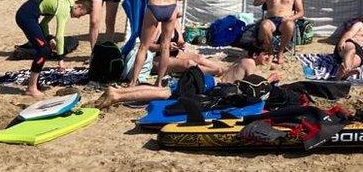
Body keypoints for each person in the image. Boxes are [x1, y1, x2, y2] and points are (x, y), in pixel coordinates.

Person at [93, 46, 272, 109]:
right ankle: (118, 95)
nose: (268, 59)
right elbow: (254, 84)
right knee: (164, 94)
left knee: (163, 90)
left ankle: (118, 92)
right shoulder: (250, 63)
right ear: (256, 54)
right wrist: (270, 80)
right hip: (208, 84)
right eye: (266, 55)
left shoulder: (242, 61)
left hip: (204, 80)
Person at [127, 0, 186, 86]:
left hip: (154, 6)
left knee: (143, 46)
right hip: (170, 8)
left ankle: (133, 81)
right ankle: (159, 82)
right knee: (165, 46)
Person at [14, 0, 90, 98]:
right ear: (78, 6)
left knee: (45, 49)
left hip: (29, 16)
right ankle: (31, 88)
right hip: (26, 17)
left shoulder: (64, 1)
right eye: (81, 14)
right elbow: (59, 36)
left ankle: (34, 84)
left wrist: (49, 38)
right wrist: (61, 60)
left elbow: (44, 24)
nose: (78, 18)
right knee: (43, 50)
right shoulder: (64, 8)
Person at [252, 0, 304, 65]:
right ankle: (271, 51)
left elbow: (301, 12)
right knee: (264, 25)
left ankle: (280, 52)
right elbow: (255, 2)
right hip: (271, 20)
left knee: (290, 25)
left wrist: (290, 18)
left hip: (286, 20)